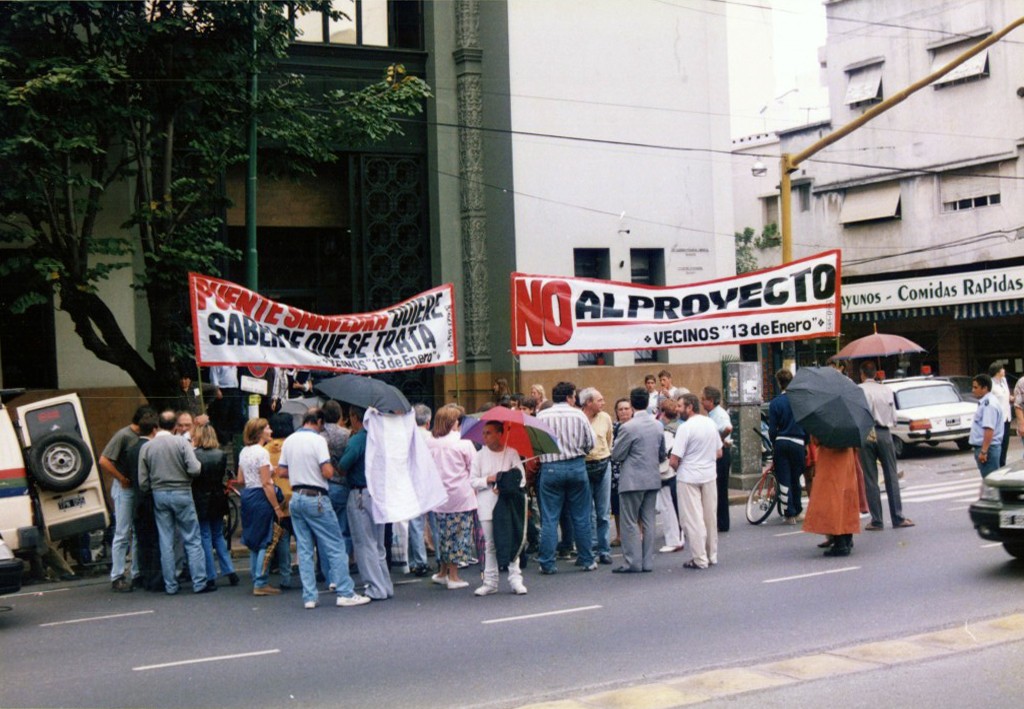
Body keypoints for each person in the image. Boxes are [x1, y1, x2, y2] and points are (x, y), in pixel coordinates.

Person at [278, 409, 370, 609]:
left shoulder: (290, 440)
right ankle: (345, 592)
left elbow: (282, 471)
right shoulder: (318, 441)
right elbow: (327, 472)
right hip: (316, 497)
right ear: (318, 421)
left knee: (304, 548)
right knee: (335, 544)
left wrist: (300, 470)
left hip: (296, 497)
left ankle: (309, 597)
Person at [138, 410, 213, 595]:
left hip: (159, 494)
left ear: (158, 425)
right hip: (182, 492)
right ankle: (199, 582)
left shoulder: (147, 447)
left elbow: (142, 481)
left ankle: (170, 585)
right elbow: (195, 469)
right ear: (175, 426)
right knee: (192, 538)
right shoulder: (181, 443)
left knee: (166, 540)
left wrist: (153, 487)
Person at [535, 381, 597, 574]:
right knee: (581, 516)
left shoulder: (542, 415)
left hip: (550, 468)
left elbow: (536, 444)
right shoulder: (579, 414)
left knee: (550, 518)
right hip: (576, 466)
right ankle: (586, 559)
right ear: (570, 397)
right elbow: (591, 442)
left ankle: (547, 562)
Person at [338, 405, 394, 600]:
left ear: (355, 417)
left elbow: (344, 465)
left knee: (364, 543)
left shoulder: (359, 439)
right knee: (378, 545)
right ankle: (385, 585)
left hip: (360, 493)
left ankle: (375, 588)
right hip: (379, 493)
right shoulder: (381, 437)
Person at [100, 405, 157, 593]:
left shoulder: (140, 436)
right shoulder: (123, 435)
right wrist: (121, 478)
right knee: (123, 531)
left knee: (136, 530)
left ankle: (136, 572)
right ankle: (117, 575)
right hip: (125, 487)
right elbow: (104, 460)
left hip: (135, 486)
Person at [609, 387, 665, 573]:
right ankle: (647, 562)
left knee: (630, 521)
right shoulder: (657, 425)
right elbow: (661, 453)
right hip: (652, 477)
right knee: (649, 521)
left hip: (632, 479)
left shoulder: (628, 427)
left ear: (632, 404)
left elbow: (617, 455)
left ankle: (632, 561)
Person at [469, 421, 528, 595]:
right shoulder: (479, 456)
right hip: (486, 504)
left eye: (489, 433)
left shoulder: (511, 453)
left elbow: (521, 479)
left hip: (507, 504)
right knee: (490, 544)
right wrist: (489, 479)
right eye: (484, 433)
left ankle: (515, 580)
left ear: (500, 434)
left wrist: (505, 485)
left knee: (511, 541)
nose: (485, 437)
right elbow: (472, 481)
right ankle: (490, 582)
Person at [425, 404, 478, 590]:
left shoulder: (430, 442)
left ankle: (442, 572)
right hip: (460, 495)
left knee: (443, 535)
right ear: (453, 422)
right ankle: (454, 577)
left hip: (439, 496)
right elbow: (474, 467)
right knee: (458, 536)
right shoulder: (463, 441)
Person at [859, 361, 914, 531]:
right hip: (884, 432)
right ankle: (898, 517)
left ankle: (877, 520)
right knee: (891, 474)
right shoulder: (886, 390)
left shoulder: (858, 390)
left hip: (866, 432)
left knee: (870, 478)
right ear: (876, 373)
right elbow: (893, 416)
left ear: (862, 374)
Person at [669, 393, 722, 570]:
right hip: (709, 475)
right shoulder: (710, 423)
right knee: (710, 517)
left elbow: (674, 460)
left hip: (688, 477)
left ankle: (699, 559)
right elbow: (719, 452)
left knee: (693, 520)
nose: (677, 409)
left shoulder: (685, 428)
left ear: (689, 407)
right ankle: (711, 555)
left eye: (679, 406)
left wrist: (680, 469)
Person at [237, 418, 286, 596]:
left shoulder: (244, 451)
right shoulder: (262, 452)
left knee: (254, 540)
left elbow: (240, 479)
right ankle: (261, 581)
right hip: (261, 496)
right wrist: (277, 507)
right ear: (259, 433)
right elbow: (266, 483)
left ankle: (255, 577)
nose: (270, 431)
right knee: (266, 539)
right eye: (267, 428)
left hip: (248, 495)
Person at [191, 424, 238, 587]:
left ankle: (210, 575)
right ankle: (230, 570)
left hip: (201, 498)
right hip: (218, 496)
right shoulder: (221, 455)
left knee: (204, 535)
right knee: (218, 535)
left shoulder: (194, 455)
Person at [802, 441, 860, 557]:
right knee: (846, 499)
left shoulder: (828, 431)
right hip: (847, 458)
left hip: (831, 461)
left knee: (833, 501)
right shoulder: (850, 430)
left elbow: (816, 439)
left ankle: (839, 542)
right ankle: (847, 537)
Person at [579, 387, 614, 565]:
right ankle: (590, 548)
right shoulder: (579, 418)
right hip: (584, 465)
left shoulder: (605, 417)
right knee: (588, 511)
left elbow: (609, 440)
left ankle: (604, 550)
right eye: (599, 400)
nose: (603, 403)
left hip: (603, 464)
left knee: (603, 511)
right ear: (588, 403)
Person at [768, 369, 807, 525]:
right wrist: (805, 442)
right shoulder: (801, 401)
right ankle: (798, 509)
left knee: (784, 479)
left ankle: (789, 514)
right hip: (798, 442)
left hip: (782, 442)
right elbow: (807, 425)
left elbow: (772, 429)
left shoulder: (775, 403)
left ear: (779, 383)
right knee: (795, 478)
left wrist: (774, 442)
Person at [321, 400, 354, 562]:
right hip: (342, 483)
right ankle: (343, 561)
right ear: (340, 415)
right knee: (343, 528)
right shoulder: (346, 435)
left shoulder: (319, 436)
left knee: (324, 530)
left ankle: (325, 564)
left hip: (323, 484)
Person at [701, 386, 733, 533]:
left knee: (720, 489)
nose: (702, 402)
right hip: (717, 452)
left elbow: (728, 428)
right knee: (716, 489)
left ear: (711, 400)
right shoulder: (711, 414)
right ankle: (719, 521)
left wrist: (719, 439)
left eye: (704, 399)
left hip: (722, 453)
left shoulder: (719, 414)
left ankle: (723, 522)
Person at [656, 398, 684, 553]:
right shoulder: (682, 427)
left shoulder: (666, 432)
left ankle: (674, 539)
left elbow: (663, 453)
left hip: (668, 471)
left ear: (662, 413)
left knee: (668, 507)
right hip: (682, 471)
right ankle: (680, 536)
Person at [970, 373, 1005, 478]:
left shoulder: (989, 405)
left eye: (976, 387)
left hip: (988, 449)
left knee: (990, 481)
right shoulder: (987, 402)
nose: (973, 390)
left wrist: (984, 451)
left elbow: (989, 429)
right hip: (988, 448)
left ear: (985, 388)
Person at [610, 397, 634, 547]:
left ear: (632, 410)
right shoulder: (613, 427)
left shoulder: (636, 426)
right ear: (616, 412)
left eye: (626, 409)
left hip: (633, 469)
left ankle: (639, 532)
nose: (624, 412)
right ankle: (619, 535)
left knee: (635, 503)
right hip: (615, 471)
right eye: (620, 409)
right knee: (616, 503)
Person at [989, 364, 1012, 468]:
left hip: (1007, 417)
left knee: (1005, 443)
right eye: (1002, 369)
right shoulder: (991, 384)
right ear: (997, 371)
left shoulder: (1004, 381)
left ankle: (1002, 465)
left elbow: (1006, 396)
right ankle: (996, 466)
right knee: (998, 444)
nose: (1004, 370)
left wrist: (1012, 398)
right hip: (997, 419)